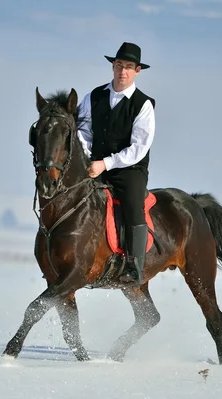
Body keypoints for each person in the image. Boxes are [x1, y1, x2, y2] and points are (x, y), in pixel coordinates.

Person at [77, 42, 156, 285]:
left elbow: (138, 148)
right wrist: (89, 157)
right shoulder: (93, 96)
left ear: (137, 71)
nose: (123, 71)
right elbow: (82, 130)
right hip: (93, 163)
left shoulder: (143, 104)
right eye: (119, 65)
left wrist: (105, 164)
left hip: (129, 169)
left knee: (133, 204)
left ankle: (134, 266)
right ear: (113, 66)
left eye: (129, 67)